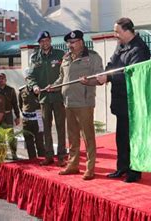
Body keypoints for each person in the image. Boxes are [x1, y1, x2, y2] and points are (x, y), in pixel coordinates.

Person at [96, 18, 151, 183]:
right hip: (120, 100)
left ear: (127, 31)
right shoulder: (121, 46)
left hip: (133, 101)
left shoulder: (139, 48)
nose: (115, 35)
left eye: (117, 32)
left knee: (133, 137)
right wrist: (105, 73)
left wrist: (109, 77)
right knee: (121, 137)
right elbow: (112, 64)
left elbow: (131, 74)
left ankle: (134, 171)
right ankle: (122, 167)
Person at [48, 30, 104, 180]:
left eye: (73, 42)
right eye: (68, 42)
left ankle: (90, 168)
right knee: (72, 136)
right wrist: (54, 86)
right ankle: (73, 165)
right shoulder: (66, 58)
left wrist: (89, 81)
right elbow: (62, 78)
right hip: (68, 102)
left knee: (88, 136)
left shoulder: (92, 57)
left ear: (81, 42)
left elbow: (100, 78)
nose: (70, 45)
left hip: (84, 102)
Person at [27, 30, 67, 167]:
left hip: (58, 96)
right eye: (42, 41)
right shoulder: (35, 58)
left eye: (47, 40)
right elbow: (30, 76)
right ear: (39, 43)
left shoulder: (60, 55)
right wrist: (34, 86)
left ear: (50, 41)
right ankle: (48, 155)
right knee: (46, 128)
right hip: (44, 98)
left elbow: (64, 74)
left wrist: (56, 86)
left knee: (61, 126)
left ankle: (62, 156)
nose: (45, 43)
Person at [19, 69, 46, 159]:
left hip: (37, 119)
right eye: (27, 78)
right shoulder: (22, 91)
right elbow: (21, 105)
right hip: (26, 120)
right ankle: (32, 160)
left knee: (39, 142)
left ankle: (42, 160)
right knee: (29, 142)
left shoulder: (39, 89)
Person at [0, 73, 21, 160]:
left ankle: (14, 153)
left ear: (5, 80)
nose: (1, 80)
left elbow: (15, 104)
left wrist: (17, 116)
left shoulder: (11, 90)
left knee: (11, 136)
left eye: (2, 79)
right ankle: (3, 153)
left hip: (8, 115)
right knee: (0, 136)